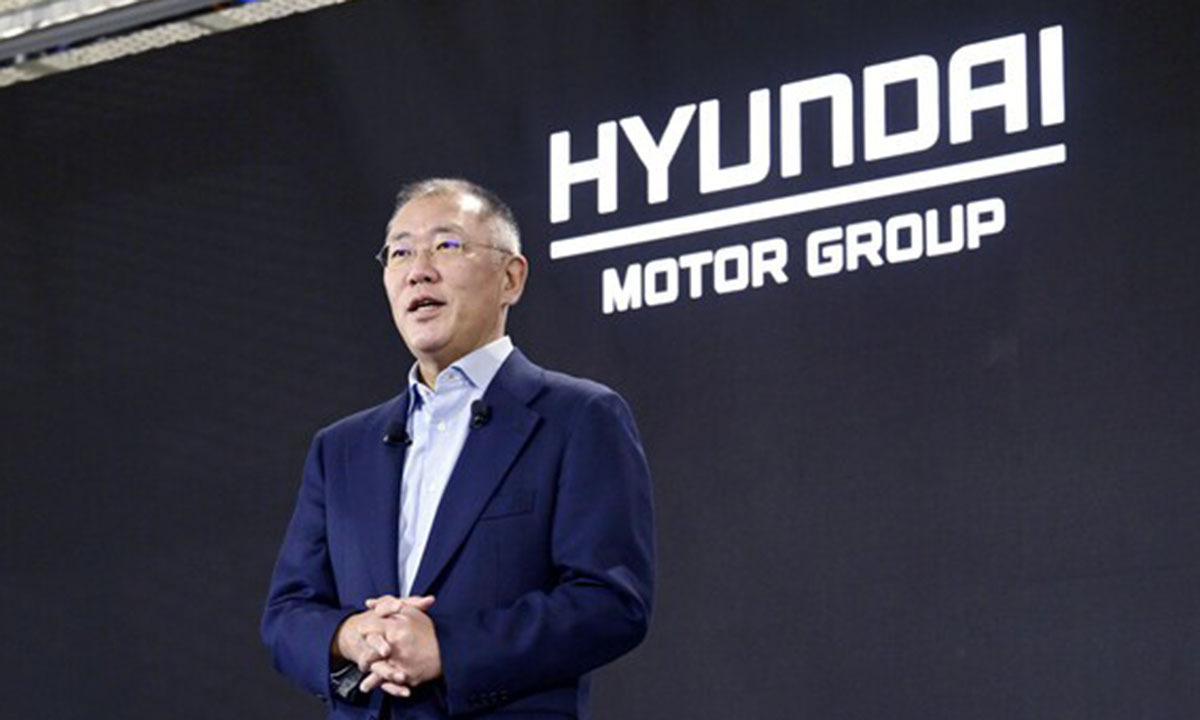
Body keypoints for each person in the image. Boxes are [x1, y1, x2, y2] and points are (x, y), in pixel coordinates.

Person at [261, 178, 655, 720]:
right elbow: (287, 613)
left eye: (446, 245)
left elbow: (610, 603)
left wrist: (449, 648)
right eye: (400, 252)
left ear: (511, 278)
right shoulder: (341, 448)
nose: (418, 270)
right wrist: (351, 635)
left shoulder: (579, 417)